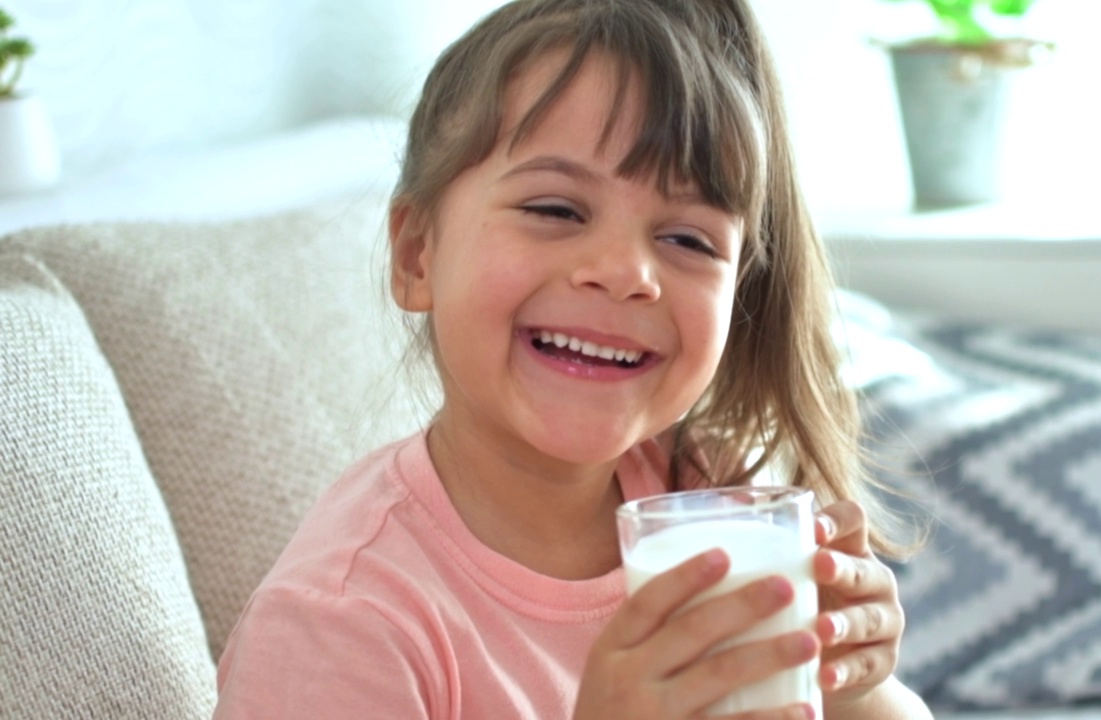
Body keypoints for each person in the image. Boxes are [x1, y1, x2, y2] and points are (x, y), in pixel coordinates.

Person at [214, 0, 931, 718]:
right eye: (556, 209)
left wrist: (859, 690)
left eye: (688, 240)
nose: (625, 273)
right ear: (416, 254)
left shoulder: (695, 497)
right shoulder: (341, 624)